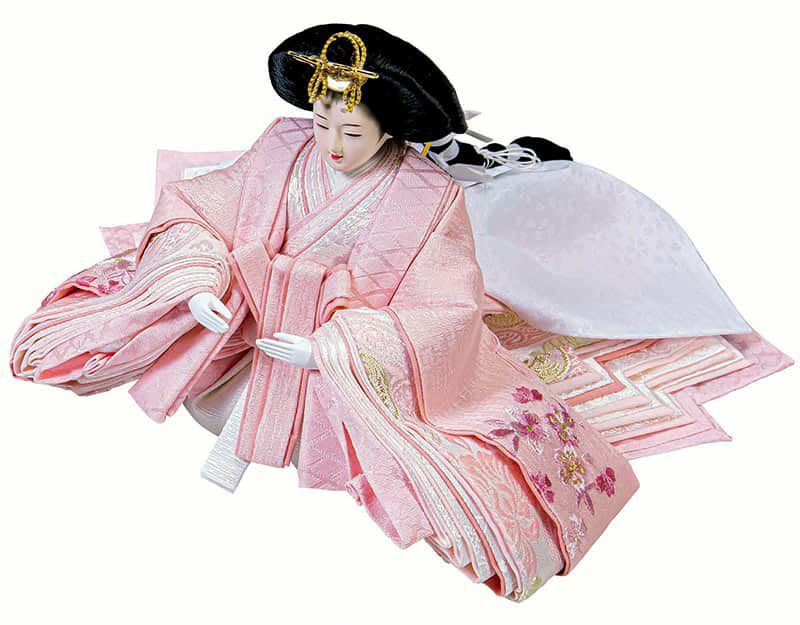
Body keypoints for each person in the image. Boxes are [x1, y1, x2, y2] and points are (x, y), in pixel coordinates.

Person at [7, 23, 791, 601]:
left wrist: (343, 345)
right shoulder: (282, 148)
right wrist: (198, 276)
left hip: (345, 353)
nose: (330, 143)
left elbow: (442, 305)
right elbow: (206, 204)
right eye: (322, 122)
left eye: (351, 130)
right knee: (165, 358)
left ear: (389, 130)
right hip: (247, 330)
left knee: (443, 451)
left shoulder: (427, 193)